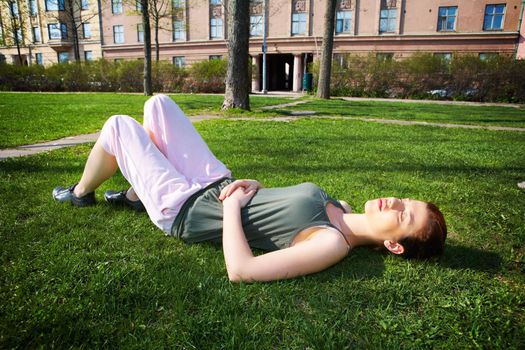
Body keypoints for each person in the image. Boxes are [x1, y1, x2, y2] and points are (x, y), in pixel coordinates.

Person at [53, 95, 447, 282]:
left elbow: (242, 270)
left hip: (187, 210)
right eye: (404, 199)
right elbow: (276, 210)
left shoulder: (332, 243)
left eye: (403, 214)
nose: (394, 201)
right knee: (158, 105)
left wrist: (230, 208)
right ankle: (137, 191)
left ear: (395, 245)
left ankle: (82, 192)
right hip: (216, 181)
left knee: (119, 126)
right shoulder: (339, 206)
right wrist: (256, 186)